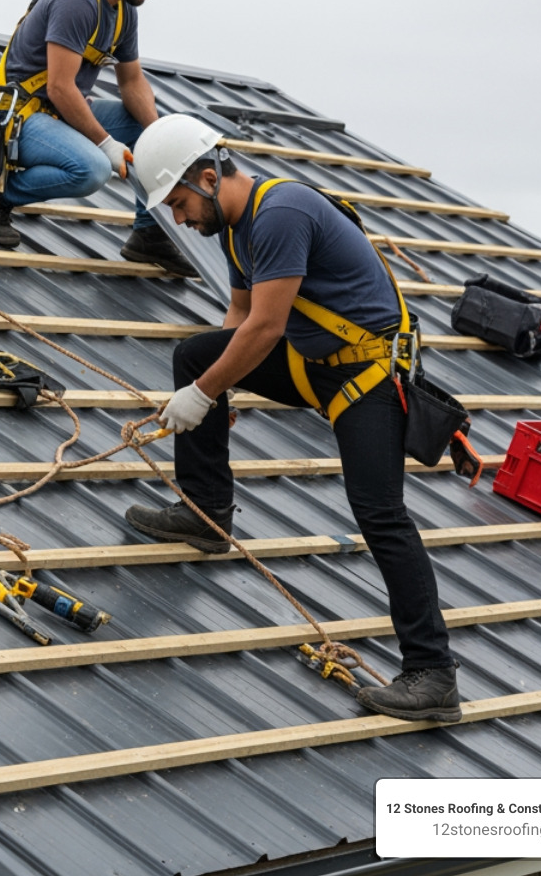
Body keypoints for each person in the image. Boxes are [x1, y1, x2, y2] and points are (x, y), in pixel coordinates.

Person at [123, 113, 461, 722]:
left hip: (368, 376)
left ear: (208, 176)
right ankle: (207, 514)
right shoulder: (234, 229)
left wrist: (201, 395)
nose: (179, 219)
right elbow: (238, 316)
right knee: (196, 354)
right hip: (315, 363)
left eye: (178, 203)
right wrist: (216, 391)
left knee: (380, 514)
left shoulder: (280, 214)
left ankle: (433, 674)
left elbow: (267, 326)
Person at [0, 0, 196, 279]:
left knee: (150, 123)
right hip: (16, 116)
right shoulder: (77, 0)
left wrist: (161, 138)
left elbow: (132, 83)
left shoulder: (123, 14)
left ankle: (149, 234)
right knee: (93, 169)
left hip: (54, 113)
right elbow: (59, 86)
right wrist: (105, 143)